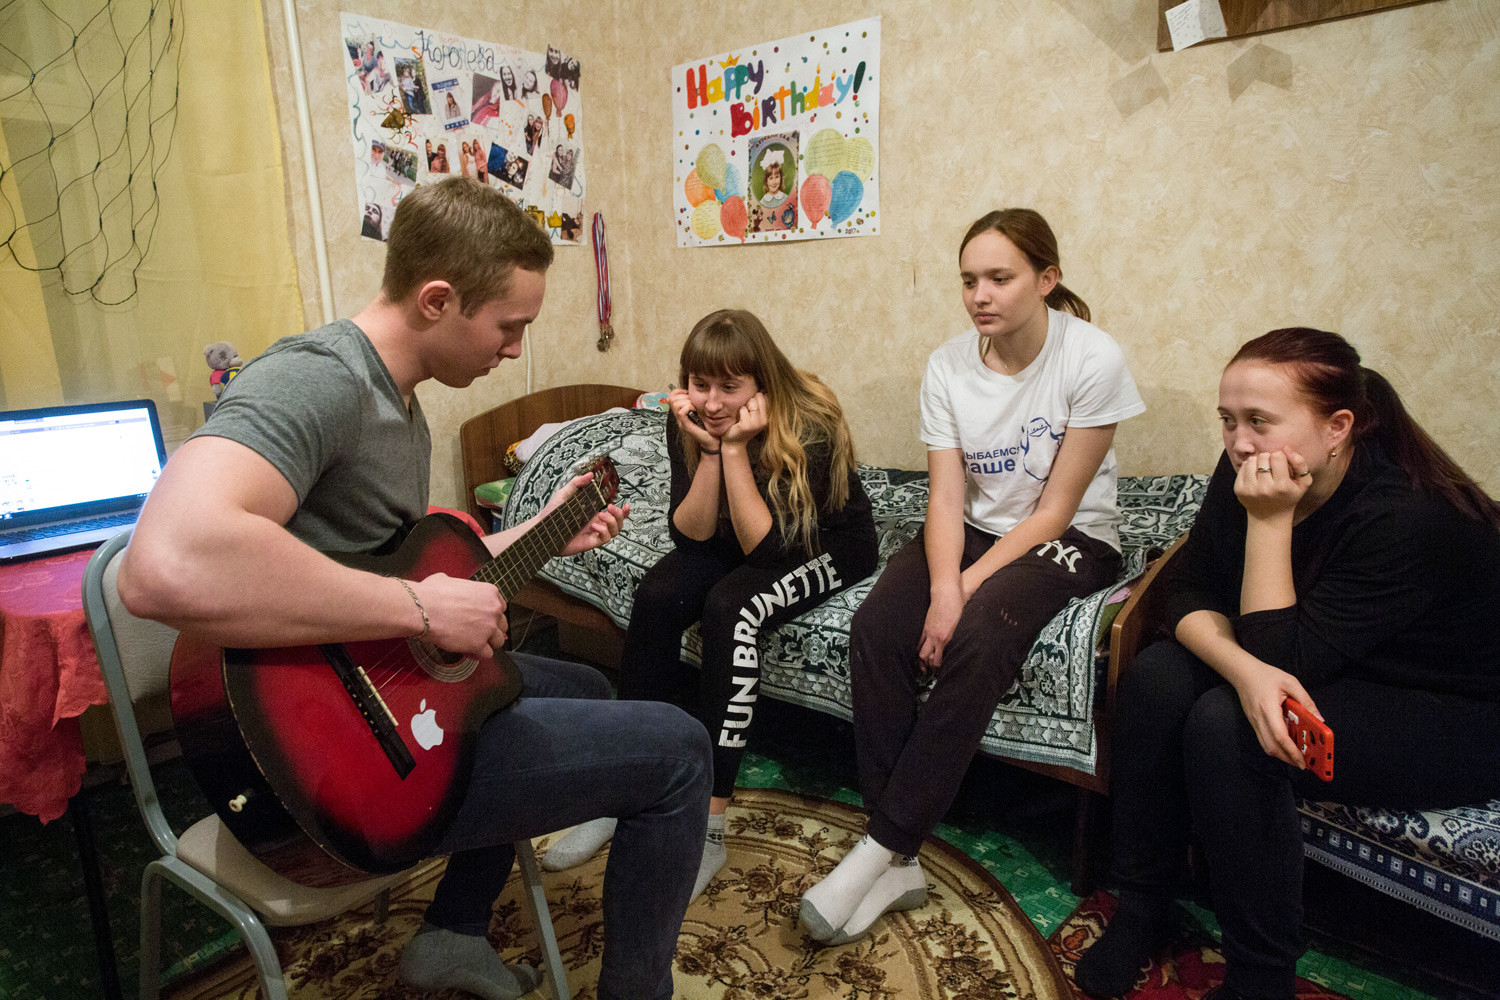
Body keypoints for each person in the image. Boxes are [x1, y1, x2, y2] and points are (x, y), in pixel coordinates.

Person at [117, 177, 713, 1000]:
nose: (514, 350)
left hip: (386, 695)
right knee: (680, 752)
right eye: (510, 327)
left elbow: (389, 561)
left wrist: (528, 540)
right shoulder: (320, 379)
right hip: (339, 765)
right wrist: (424, 608)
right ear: (438, 300)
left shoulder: (400, 395)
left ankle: (453, 932)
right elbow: (164, 563)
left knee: (574, 682)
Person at [1072, 328, 1500, 1000]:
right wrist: (1243, 672)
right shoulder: (1246, 466)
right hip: (1324, 660)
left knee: (1232, 727)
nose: (1239, 442)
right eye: (1228, 420)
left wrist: (1269, 524)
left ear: (1338, 428)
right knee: (1159, 676)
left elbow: (1282, 655)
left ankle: (1261, 975)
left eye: (1260, 422)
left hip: (1453, 710)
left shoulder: (1408, 517)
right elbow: (1189, 591)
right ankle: (1145, 906)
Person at [799, 208, 1145, 945]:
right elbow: (948, 497)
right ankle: (897, 856)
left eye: (999, 278)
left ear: (1046, 280)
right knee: (876, 625)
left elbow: (1055, 511)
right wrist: (942, 583)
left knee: (984, 635)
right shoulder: (949, 364)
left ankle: (883, 844)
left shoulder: (1092, 358)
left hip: (1075, 533)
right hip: (978, 525)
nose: (980, 295)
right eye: (968, 281)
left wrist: (967, 590)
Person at [542, 309, 879, 899]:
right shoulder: (690, 420)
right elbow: (691, 537)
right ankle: (624, 785)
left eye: (731, 387)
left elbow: (766, 550)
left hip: (823, 544)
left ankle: (710, 827)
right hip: (740, 534)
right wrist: (705, 450)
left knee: (731, 609)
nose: (715, 402)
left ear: (761, 387)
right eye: (702, 384)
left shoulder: (811, 423)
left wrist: (736, 451)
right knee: (658, 593)